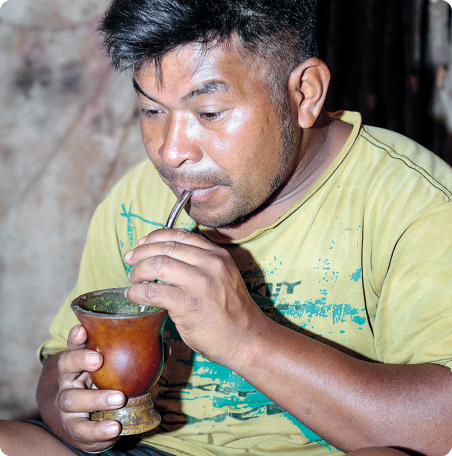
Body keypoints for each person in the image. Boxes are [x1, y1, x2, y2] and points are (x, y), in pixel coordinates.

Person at [1, 0, 452, 455]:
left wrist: (245, 338)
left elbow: (443, 430)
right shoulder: (135, 198)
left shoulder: (414, 205)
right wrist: (70, 408)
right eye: (152, 110)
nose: (171, 151)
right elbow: (58, 365)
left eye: (209, 112)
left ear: (305, 93)